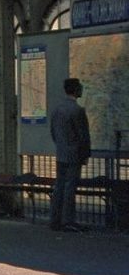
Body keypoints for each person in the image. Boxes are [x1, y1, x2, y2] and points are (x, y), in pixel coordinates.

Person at [49, 77, 91, 231]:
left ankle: (55, 219)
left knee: (59, 186)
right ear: (76, 90)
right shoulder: (78, 110)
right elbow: (83, 135)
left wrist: (61, 146)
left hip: (61, 153)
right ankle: (68, 220)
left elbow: (53, 133)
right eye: (80, 87)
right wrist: (85, 154)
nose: (82, 89)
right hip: (74, 154)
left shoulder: (57, 110)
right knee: (70, 188)